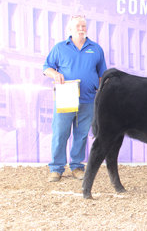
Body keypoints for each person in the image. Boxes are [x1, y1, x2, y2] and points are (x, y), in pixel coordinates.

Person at [43, 15, 107, 182]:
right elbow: (46, 67)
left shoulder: (96, 48)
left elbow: (102, 75)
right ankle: (56, 168)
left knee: (82, 134)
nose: (81, 28)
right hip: (65, 98)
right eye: (77, 26)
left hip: (88, 99)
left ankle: (77, 166)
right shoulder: (60, 48)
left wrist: (101, 94)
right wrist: (55, 74)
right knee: (60, 134)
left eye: (83, 26)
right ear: (70, 29)